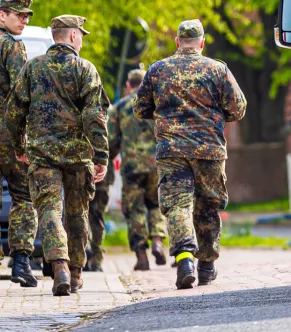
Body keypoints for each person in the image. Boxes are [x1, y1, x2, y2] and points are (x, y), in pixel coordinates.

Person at [134, 19, 246, 290]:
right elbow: (238, 108)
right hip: (209, 149)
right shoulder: (218, 70)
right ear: (202, 42)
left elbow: (140, 109)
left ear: (177, 42)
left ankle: (185, 259)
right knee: (208, 205)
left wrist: (164, 115)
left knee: (177, 206)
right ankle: (206, 266)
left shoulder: (158, 70)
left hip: (171, 150)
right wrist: (217, 116)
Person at [5, 14, 109, 296]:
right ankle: (75, 274)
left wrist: (19, 146)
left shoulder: (32, 68)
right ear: (74, 36)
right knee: (77, 213)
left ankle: (59, 266)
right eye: (82, 36)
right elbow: (94, 116)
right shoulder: (85, 69)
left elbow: (14, 113)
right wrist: (101, 155)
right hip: (78, 156)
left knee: (50, 211)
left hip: (42, 156)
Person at [109, 68, 167, 271]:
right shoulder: (156, 105)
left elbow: (112, 141)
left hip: (131, 167)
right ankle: (158, 242)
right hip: (156, 164)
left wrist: (106, 159)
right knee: (156, 205)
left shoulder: (119, 107)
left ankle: (141, 257)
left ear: (128, 85)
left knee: (134, 210)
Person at [0, 0, 38, 288]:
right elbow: (21, 93)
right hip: (8, 135)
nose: (24, 20)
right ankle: (22, 262)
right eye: (19, 15)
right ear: (2, 16)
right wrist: (24, 139)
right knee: (24, 196)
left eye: (26, 16)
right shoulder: (12, 46)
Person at [85, 156, 115, 272]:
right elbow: (114, 144)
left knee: (79, 213)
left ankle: (84, 255)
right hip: (102, 174)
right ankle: (96, 258)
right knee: (97, 217)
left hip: (82, 170)